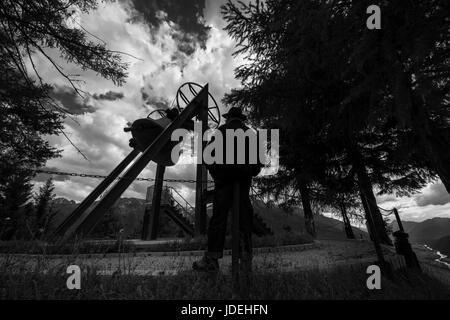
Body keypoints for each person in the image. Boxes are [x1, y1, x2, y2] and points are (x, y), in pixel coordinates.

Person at [192, 107, 263, 272]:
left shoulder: (221, 131)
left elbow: (207, 158)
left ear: (228, 118)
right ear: (241, 119)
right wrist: (247, 172)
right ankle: (245, 259)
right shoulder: (250, 134)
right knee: (245, 219)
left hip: (223, 183)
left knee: (218, 219)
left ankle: (212, 259)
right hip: (243, 184)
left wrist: (218, 173)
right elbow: (258, 164)